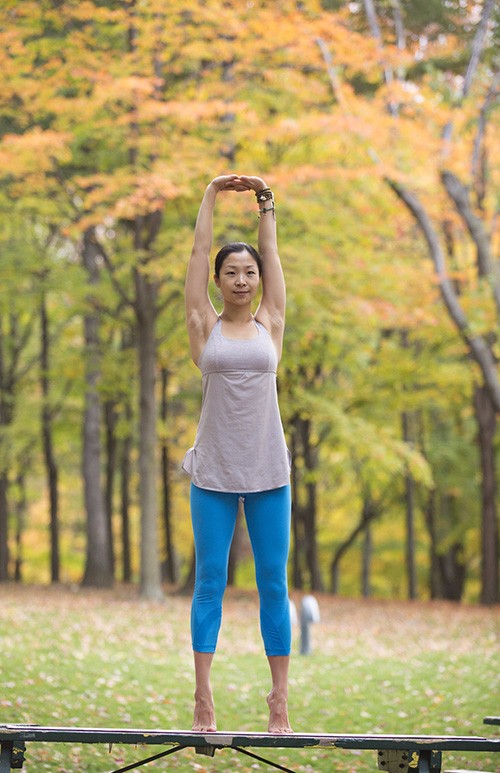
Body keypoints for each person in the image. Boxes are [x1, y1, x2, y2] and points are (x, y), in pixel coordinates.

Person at [182, 174, 293, 735]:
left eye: (249, 272)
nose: (242, 279)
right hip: (214, 472)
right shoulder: (204, 325)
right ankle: (203, 698)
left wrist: (264, 202)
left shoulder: (272, 321)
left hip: (269, 471)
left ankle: (280, 701)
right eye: (232, 272)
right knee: (210, 582)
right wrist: (210, 194)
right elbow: (199, 252)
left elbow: (270, 250)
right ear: (220, 281)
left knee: (274, 583)